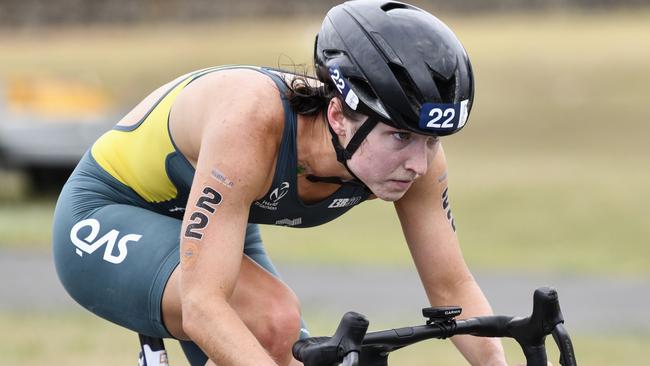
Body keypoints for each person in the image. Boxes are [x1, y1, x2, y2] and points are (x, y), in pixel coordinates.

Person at [52, 1, 508, 365]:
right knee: (273, 320)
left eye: (431, 141)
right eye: (401, 137)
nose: (419, 164)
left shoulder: (409, 154)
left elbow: (451, 289)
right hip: (110, 211)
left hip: (220, 212)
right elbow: (203, 306)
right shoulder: (251, 121)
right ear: (338, 116)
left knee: (287, 350)